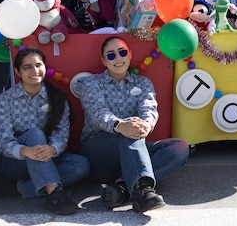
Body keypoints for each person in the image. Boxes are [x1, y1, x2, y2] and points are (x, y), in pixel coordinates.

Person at [78, 36, 190, 213]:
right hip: (100, 152)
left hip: (132, 151)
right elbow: (97, 112)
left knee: (179, 147)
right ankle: (143, 189)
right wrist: (120, 125)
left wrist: (146, 124)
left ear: (129, 55)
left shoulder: (143, 83)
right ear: (104, 60)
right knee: (130, 127)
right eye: (111, 55)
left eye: (122, 52)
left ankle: (122, 188)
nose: (118, 58)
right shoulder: (92, 83)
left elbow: (149, 108)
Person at [0, 48, 89, 215]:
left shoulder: (57, 97)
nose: (35, 71)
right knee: (35, 134)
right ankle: (55, 194)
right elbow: (3, 141)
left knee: (81, 166)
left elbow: (61, 134)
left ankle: (19, 188)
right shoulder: (5, 100)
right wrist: (25, 150)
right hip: (13, 161)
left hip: (45, 156)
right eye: (28, 67)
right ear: (18, 72)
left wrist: (52, 149)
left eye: (38, 65)